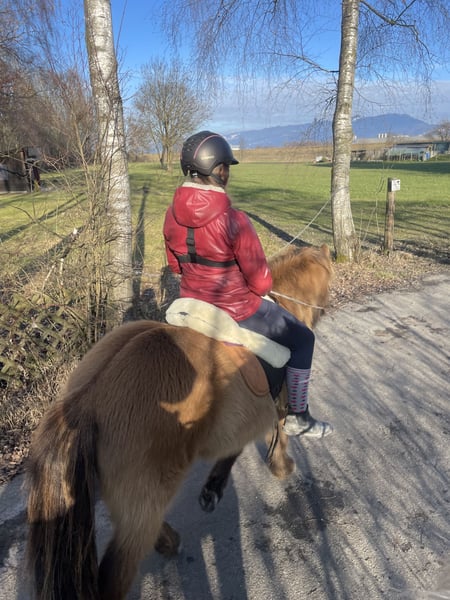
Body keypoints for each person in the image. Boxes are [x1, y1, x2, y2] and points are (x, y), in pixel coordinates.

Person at [163, 130, 333, 438]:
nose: (227, 173)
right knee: (303, 339)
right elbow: (262, 283)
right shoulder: (235, 220)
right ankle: (298, 416)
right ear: (218, 170)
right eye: (226, 167)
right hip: (237, 309)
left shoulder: (170, 216)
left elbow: (176, 267)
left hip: (190, 303)